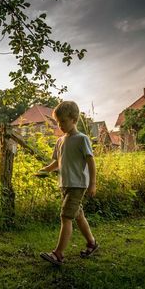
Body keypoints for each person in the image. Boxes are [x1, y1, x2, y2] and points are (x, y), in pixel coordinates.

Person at [40, 101, 98, 265]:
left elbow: (91, 161)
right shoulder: (60, 141)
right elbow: (56, 163)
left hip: (77, 185)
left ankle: (58, 254)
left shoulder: (82, 139)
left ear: (74, 119)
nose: (60, 125)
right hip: (65, 185)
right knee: (78, 215)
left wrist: (92, 183)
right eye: (58, 122)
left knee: (66, 216)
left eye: (63, 121)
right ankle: (92, 243)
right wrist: (44, 170)